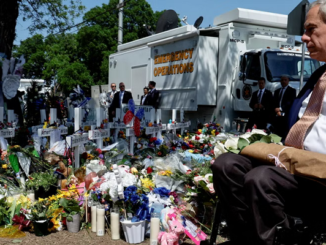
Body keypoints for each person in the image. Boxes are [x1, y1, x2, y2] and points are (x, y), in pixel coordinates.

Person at [212, 2, 326, 244]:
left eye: (311, 28)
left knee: (261, 179)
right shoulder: (318, 76)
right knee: (227, 165)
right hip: (293, 163)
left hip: (319, 176)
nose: (303, 36)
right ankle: (247, 239)